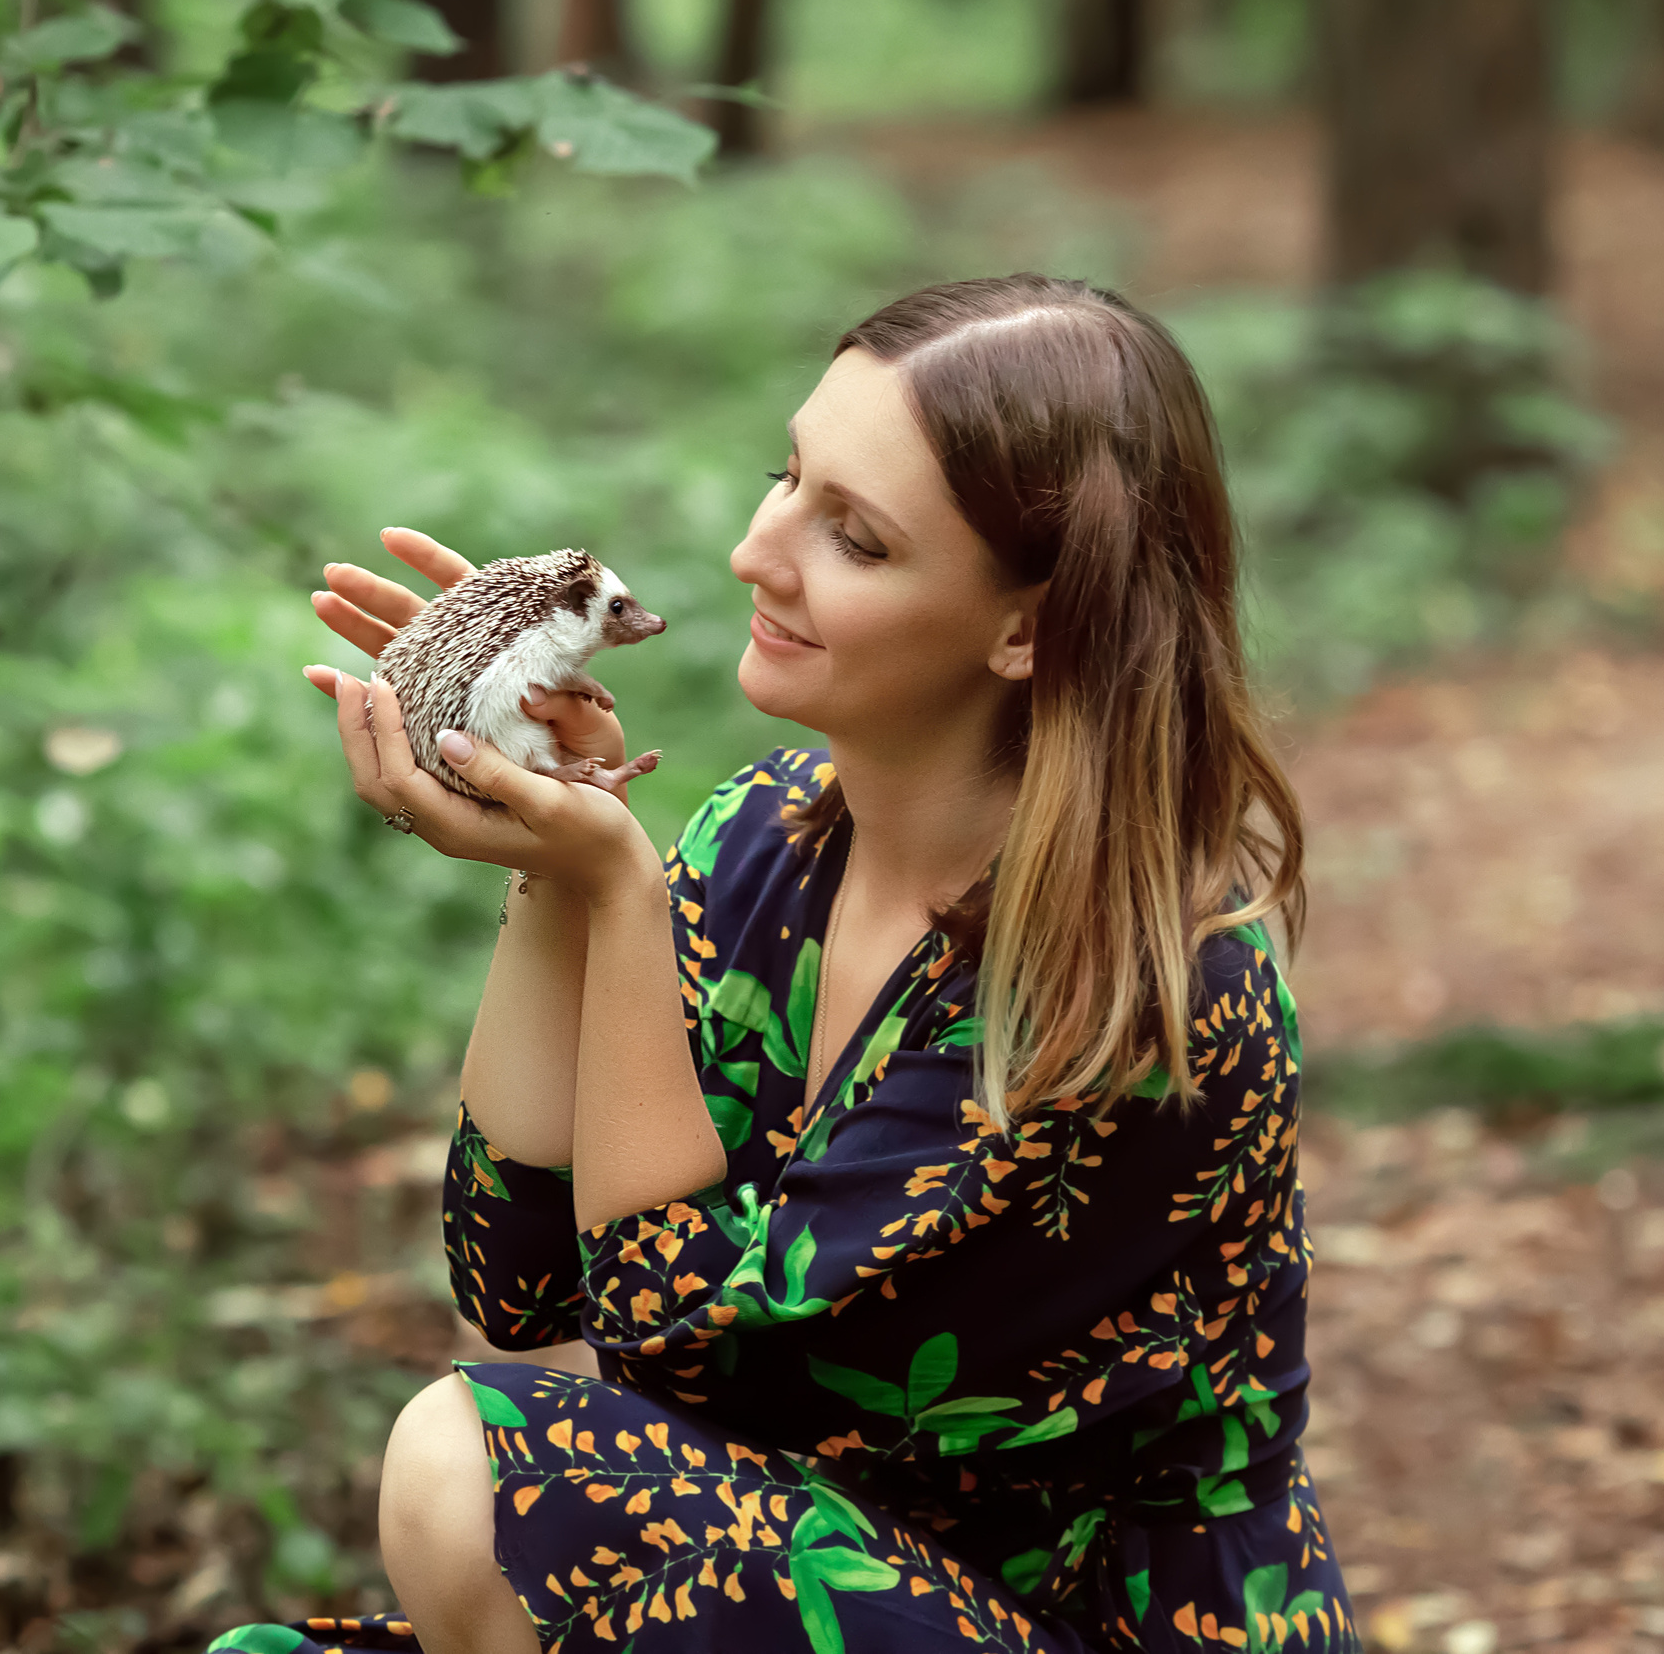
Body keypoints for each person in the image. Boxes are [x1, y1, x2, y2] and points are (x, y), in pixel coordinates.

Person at [210, 275, 1357, 1654]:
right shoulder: (768, 837)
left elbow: (676, 1352)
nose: (759, 552)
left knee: (469, 1472)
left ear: (1027, 628)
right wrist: (552, 869)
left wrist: (619, 891)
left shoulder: (1137, 992)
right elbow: (516, 1277)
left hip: (1063, 1627)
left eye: (855, 538)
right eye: (786, 477)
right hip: (808, 1578)